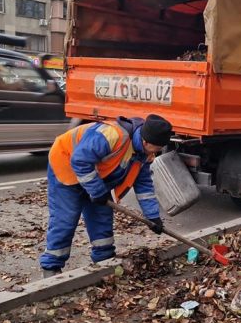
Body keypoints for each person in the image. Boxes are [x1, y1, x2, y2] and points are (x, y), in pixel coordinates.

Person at [39, 114, 173, 277]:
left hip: (96, 177)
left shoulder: (144, 153)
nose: (157, 152)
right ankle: (51, 266)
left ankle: (104, 259)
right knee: (66, 218)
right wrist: (96, 191)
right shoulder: (112, 135)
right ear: (145, 141)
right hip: (65, 165)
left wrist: (153, 217)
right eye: (157, 148)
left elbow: (144, 185)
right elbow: (80, 160)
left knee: (101, 216)